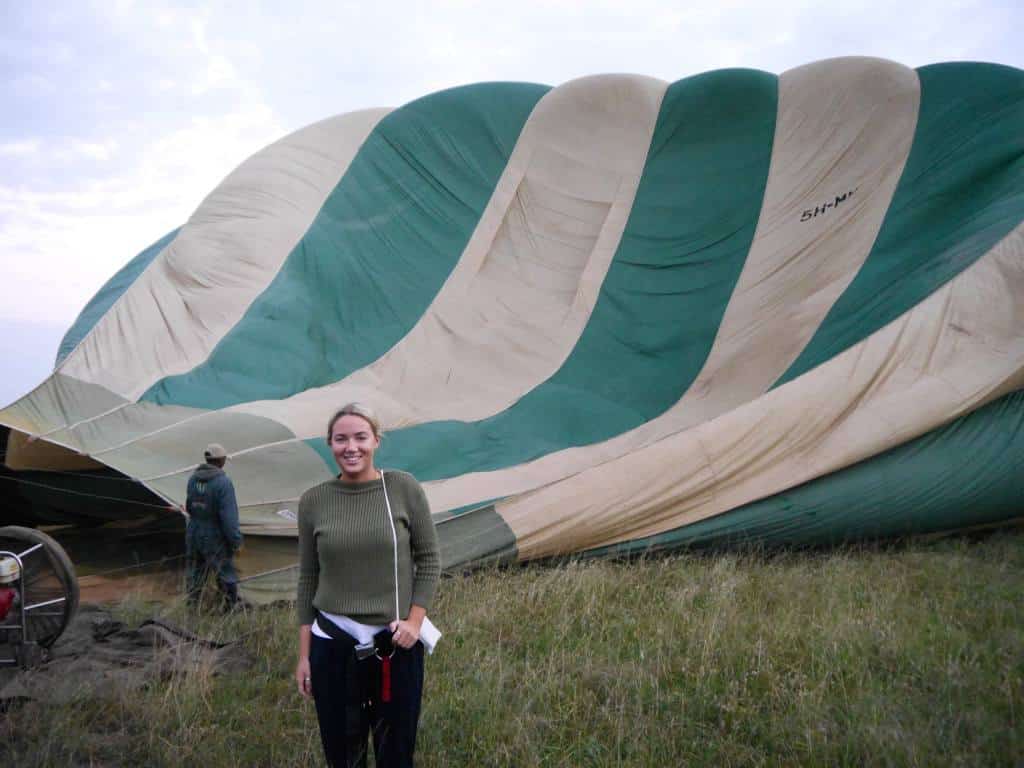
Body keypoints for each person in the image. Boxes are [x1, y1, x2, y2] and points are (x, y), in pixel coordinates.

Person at [294, 402, 440, 768]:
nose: (351, 447)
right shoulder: (314, 501)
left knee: (396, 748)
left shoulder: (402, 488)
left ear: (376, 440)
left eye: (360, 437)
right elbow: (308, 575)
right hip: (332, 643)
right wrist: (303, 655)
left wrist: (415, 622)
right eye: (341, 439)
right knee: (343, 752)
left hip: (394, 643)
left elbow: (430, 559)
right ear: (330, 444)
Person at [184, 442, 243, 610]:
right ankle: (229, 610)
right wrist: (236, 542)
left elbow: (189, 507)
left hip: (194, 532)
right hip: (214, 536)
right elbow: (229, 519)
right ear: (221, 461)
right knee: (225, 573)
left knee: (195, 573)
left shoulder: (193, 479)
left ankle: (192, 609)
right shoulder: (223, 483)